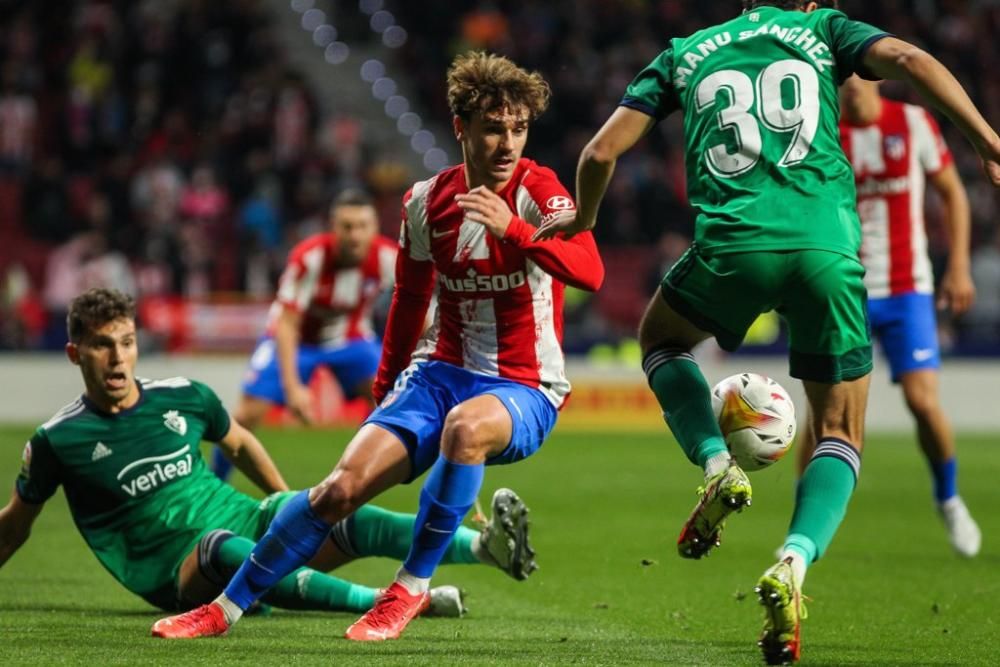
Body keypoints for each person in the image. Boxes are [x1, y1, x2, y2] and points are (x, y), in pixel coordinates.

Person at [533, 1, 1000, 663]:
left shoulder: (685, 50)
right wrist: (985, 137)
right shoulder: (823, 28)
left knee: (662, 340)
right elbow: (912, 61)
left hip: (735, 248)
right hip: (825, 251)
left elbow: (601, 149)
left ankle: (717, 464)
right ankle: (793, 560)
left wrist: (583, 217)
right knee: (839, 430)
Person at [151, 51, 604, 641]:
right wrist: (387, 381)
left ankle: (407, 589)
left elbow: (589, 271)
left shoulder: (538, 192)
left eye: (518, 128)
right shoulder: (424, 203)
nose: (507, 143)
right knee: (337, 489)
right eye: (493, 127)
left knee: (465, 431)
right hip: (437, 373)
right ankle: (223, 609)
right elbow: (410, 300)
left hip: (524, 385)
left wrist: (515, 231)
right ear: (461, 127)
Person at [0, 288, 531, 619]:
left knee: (343, 509)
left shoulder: (183, 396)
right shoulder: (58, 439)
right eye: (101, 345)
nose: (118, 358)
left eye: (126, 341)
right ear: (75, 353)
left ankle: (483, 548)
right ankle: (384, 601)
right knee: (220, 547)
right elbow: (15, 526)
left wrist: (286, 506)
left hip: (244, 516)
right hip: (177, 568)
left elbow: (240, 442)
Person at [794, 75, 981, 557]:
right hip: (843, 287)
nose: (851, 88)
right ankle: (804, 530)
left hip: (905, 289)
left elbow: (953, 193)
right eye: (842, 82)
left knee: (922, 401)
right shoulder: (822, 132)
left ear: (877, 81)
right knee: (822, 415)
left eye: (858, 79)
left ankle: (949, 498)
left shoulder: (914, 122)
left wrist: (958, 267)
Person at [211, 189, 397, 481]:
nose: (355, 235)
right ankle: (214, 483)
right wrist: (293, 386)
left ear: (375, 228)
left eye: (362, 226)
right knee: (245, 415)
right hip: (295, 341)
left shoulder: (389, 258)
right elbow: (287, 325)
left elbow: (417, 305)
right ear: (333, 228)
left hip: (351, 339)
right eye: (347, 227)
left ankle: (356, 476)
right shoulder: (309, 258)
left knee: (387, 400)